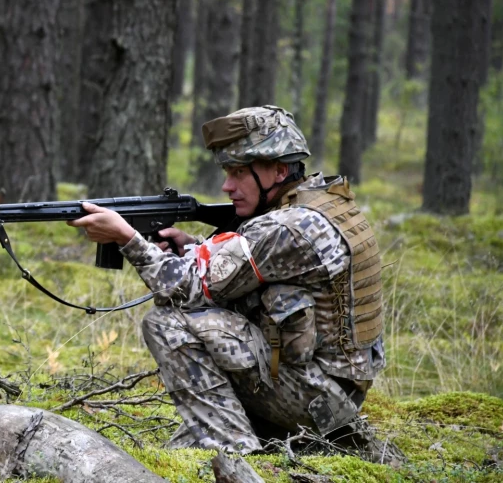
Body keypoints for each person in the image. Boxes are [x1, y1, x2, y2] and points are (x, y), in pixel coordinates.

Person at [67, 106, 401, 462]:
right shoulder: (321, 204)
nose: (227, 186)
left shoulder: (284, 229)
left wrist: (127, 239)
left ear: (279, 170)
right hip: (335, 394)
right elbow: (243, 270)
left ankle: (226, 444)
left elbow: (186, 289)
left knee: (168, 323)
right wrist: (193, 247)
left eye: (239, 173)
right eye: (227, 172)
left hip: (319, 402)